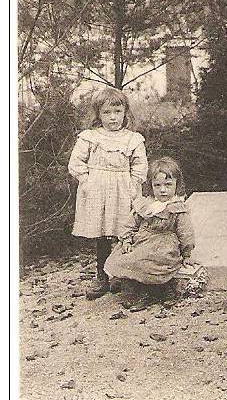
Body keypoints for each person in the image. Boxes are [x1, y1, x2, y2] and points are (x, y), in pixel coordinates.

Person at [68, 86, 148, 299]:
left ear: (125, 112)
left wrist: (133, 186)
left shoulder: (133, 139)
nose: (113, 118)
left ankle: (120, 276)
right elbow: (76, 163)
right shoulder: (90, 137)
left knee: (123, 233)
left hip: (123, 191)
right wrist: (88, 181)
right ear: (98, 114)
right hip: (97, 192)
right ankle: (102, 276)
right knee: (102, 235)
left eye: (117, 112)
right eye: (107, 113)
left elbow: (140, 167)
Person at [105, 157, 195, 309]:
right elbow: (131, 224)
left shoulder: (177, 208)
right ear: (151, 186)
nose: (162, 190)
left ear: (177, 185)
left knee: (149, 260)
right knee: (125, 256)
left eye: (168, 185)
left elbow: (186, 233)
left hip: (163, 245)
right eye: (157, 185)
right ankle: (133, 287)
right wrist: (126, 240)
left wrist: (186, 254)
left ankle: (152, 292)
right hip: (142, 240)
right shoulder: (146, 205)